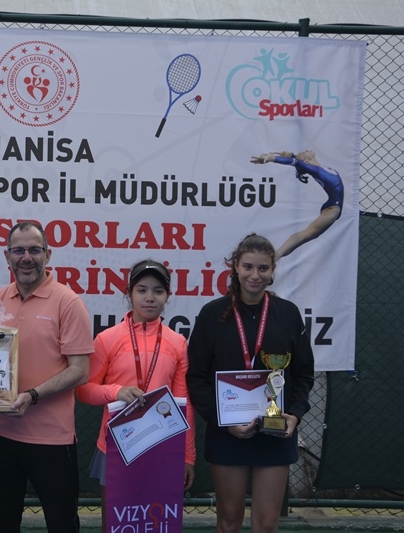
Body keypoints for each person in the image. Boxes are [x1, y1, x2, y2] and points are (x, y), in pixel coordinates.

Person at [186, 233, 315, 533]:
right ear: (235, 267)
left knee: (267, 524)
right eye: (248, 267)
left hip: (275, 432)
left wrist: (294, 415)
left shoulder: (288, 314)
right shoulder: (212, 314)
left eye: (262, 268)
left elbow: (304, 373)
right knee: (229, 521)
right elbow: (196, 377)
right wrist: (223, 422)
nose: (255, 275)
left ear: (272, 271)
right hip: (228, 433)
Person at [0, 221, 93, 533]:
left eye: (34, 250)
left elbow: (80, 370)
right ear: (7, 256)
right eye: (18, 251)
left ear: (48, 254)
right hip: (0, 431)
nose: (26, 258)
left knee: (62, 524)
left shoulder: (68, 302)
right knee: (0, 524)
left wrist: (33, 395)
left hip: (51, 438)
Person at [77, 259, 196, 531]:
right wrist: (116, 391)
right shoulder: (107, 339)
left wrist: (188, 456)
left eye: (158, 291)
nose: (150, 297)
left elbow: (184, 404)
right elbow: (84, 390)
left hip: (163, 447)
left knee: (157, 523)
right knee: (118, 523)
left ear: (168, 296)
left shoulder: (178, 343)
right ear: (129, 293)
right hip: (117, 446)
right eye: (142, 290)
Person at [251, 150, 344, 260]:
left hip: (332, 205)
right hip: (333, 208)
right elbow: (296, 162)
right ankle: (275, 257)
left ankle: (276, 256)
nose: (305, 150)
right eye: (303, 153)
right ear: (306, 161)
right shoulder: (315, 170)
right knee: (307, 234)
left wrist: (291, 155)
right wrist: (273, 158)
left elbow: (298, 161)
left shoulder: (315, 167)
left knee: (308, 236)